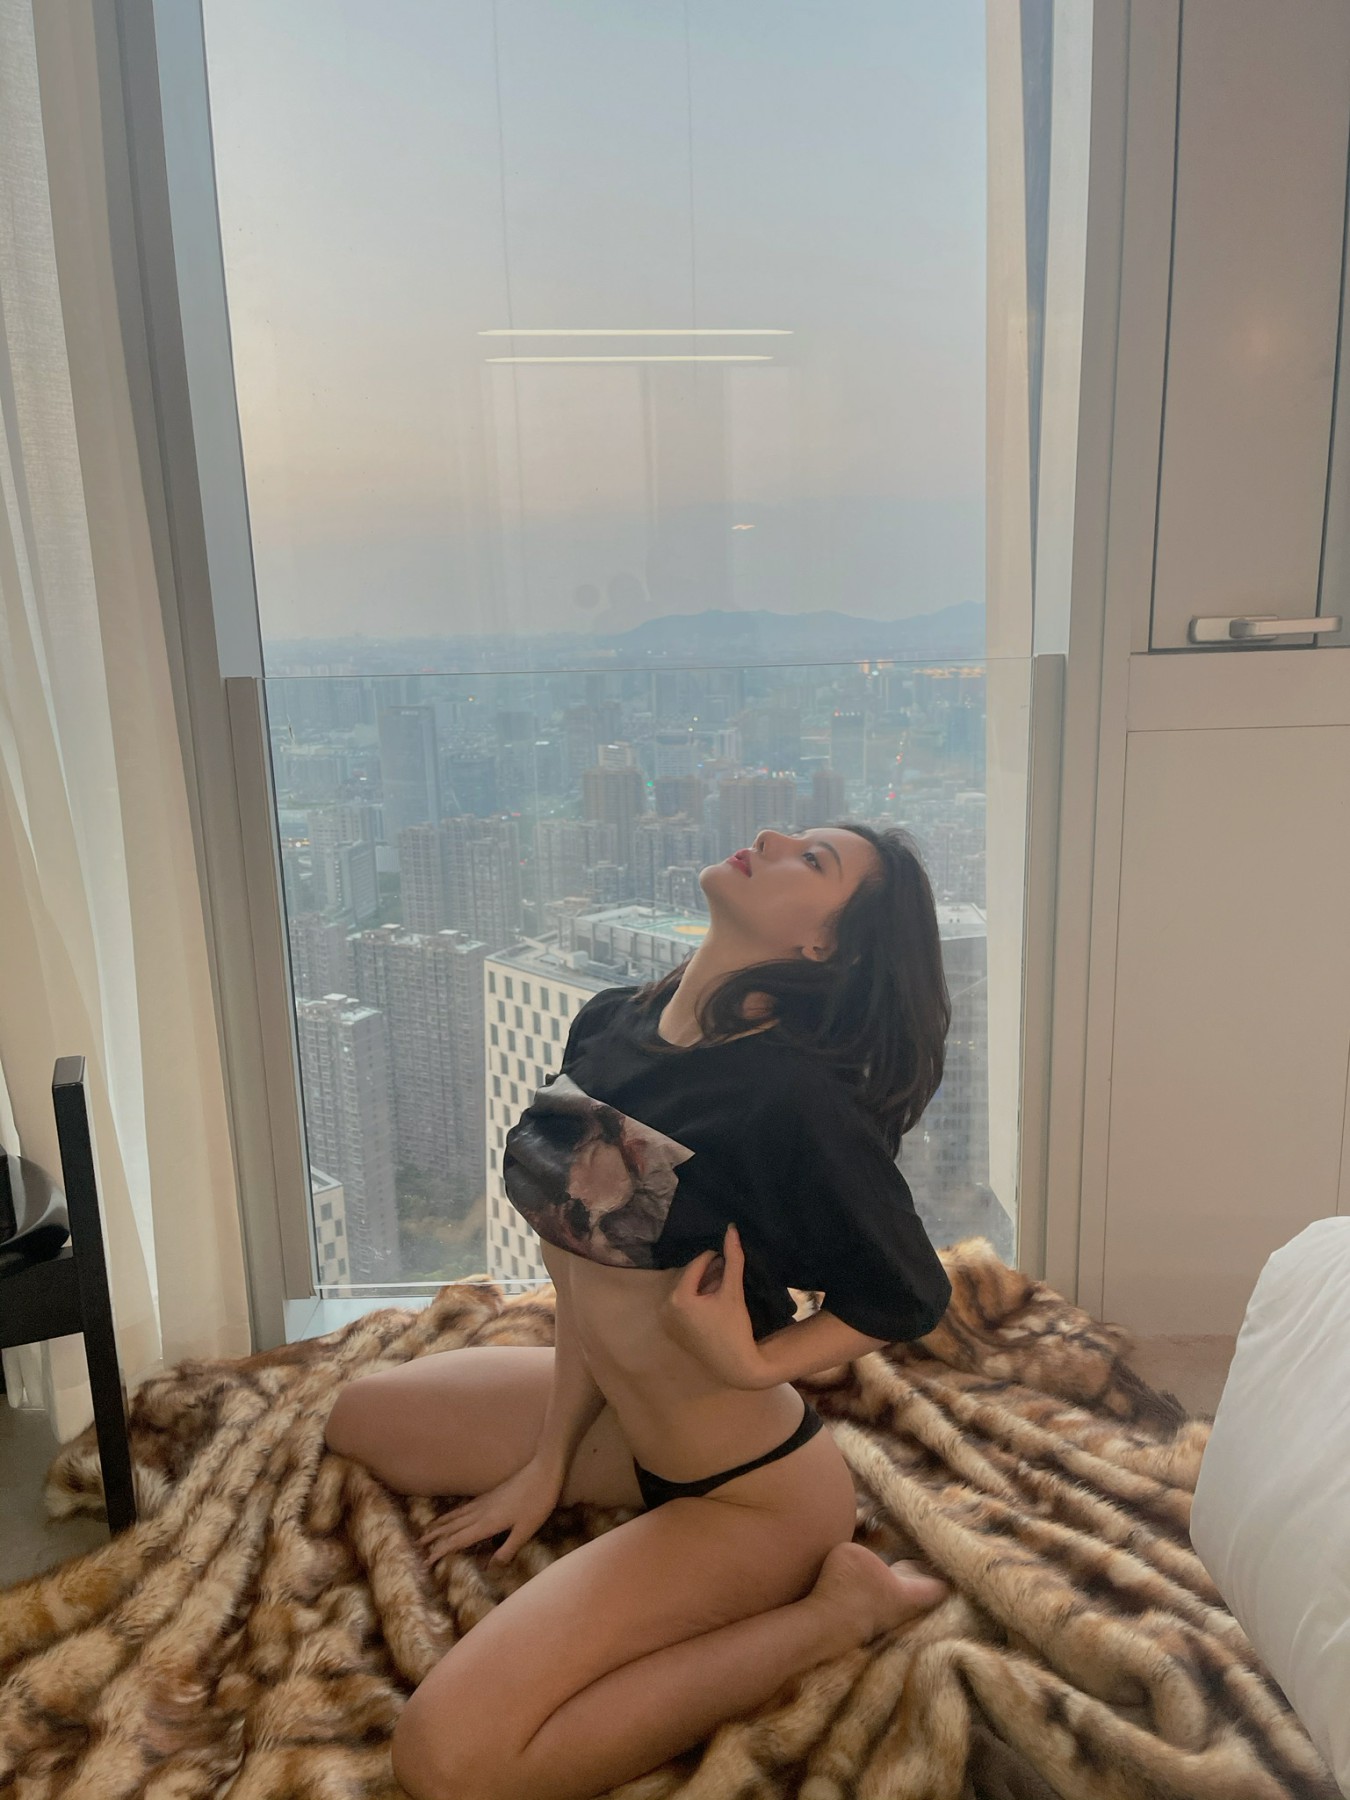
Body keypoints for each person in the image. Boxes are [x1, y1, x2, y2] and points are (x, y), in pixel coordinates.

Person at [325, 822, 956, 1800]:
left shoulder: (787, 1092)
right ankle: (609, 1491)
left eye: (813, 860)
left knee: (446, 1760)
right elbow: (582, 1277)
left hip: (747, 1493)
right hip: (627, 1429)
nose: (774, 836)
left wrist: (753, 1363)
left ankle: (839, 1611)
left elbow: (908, 1292)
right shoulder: (613, 1022)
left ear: (823, 945)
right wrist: (548, 1462)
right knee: (360, 1417)